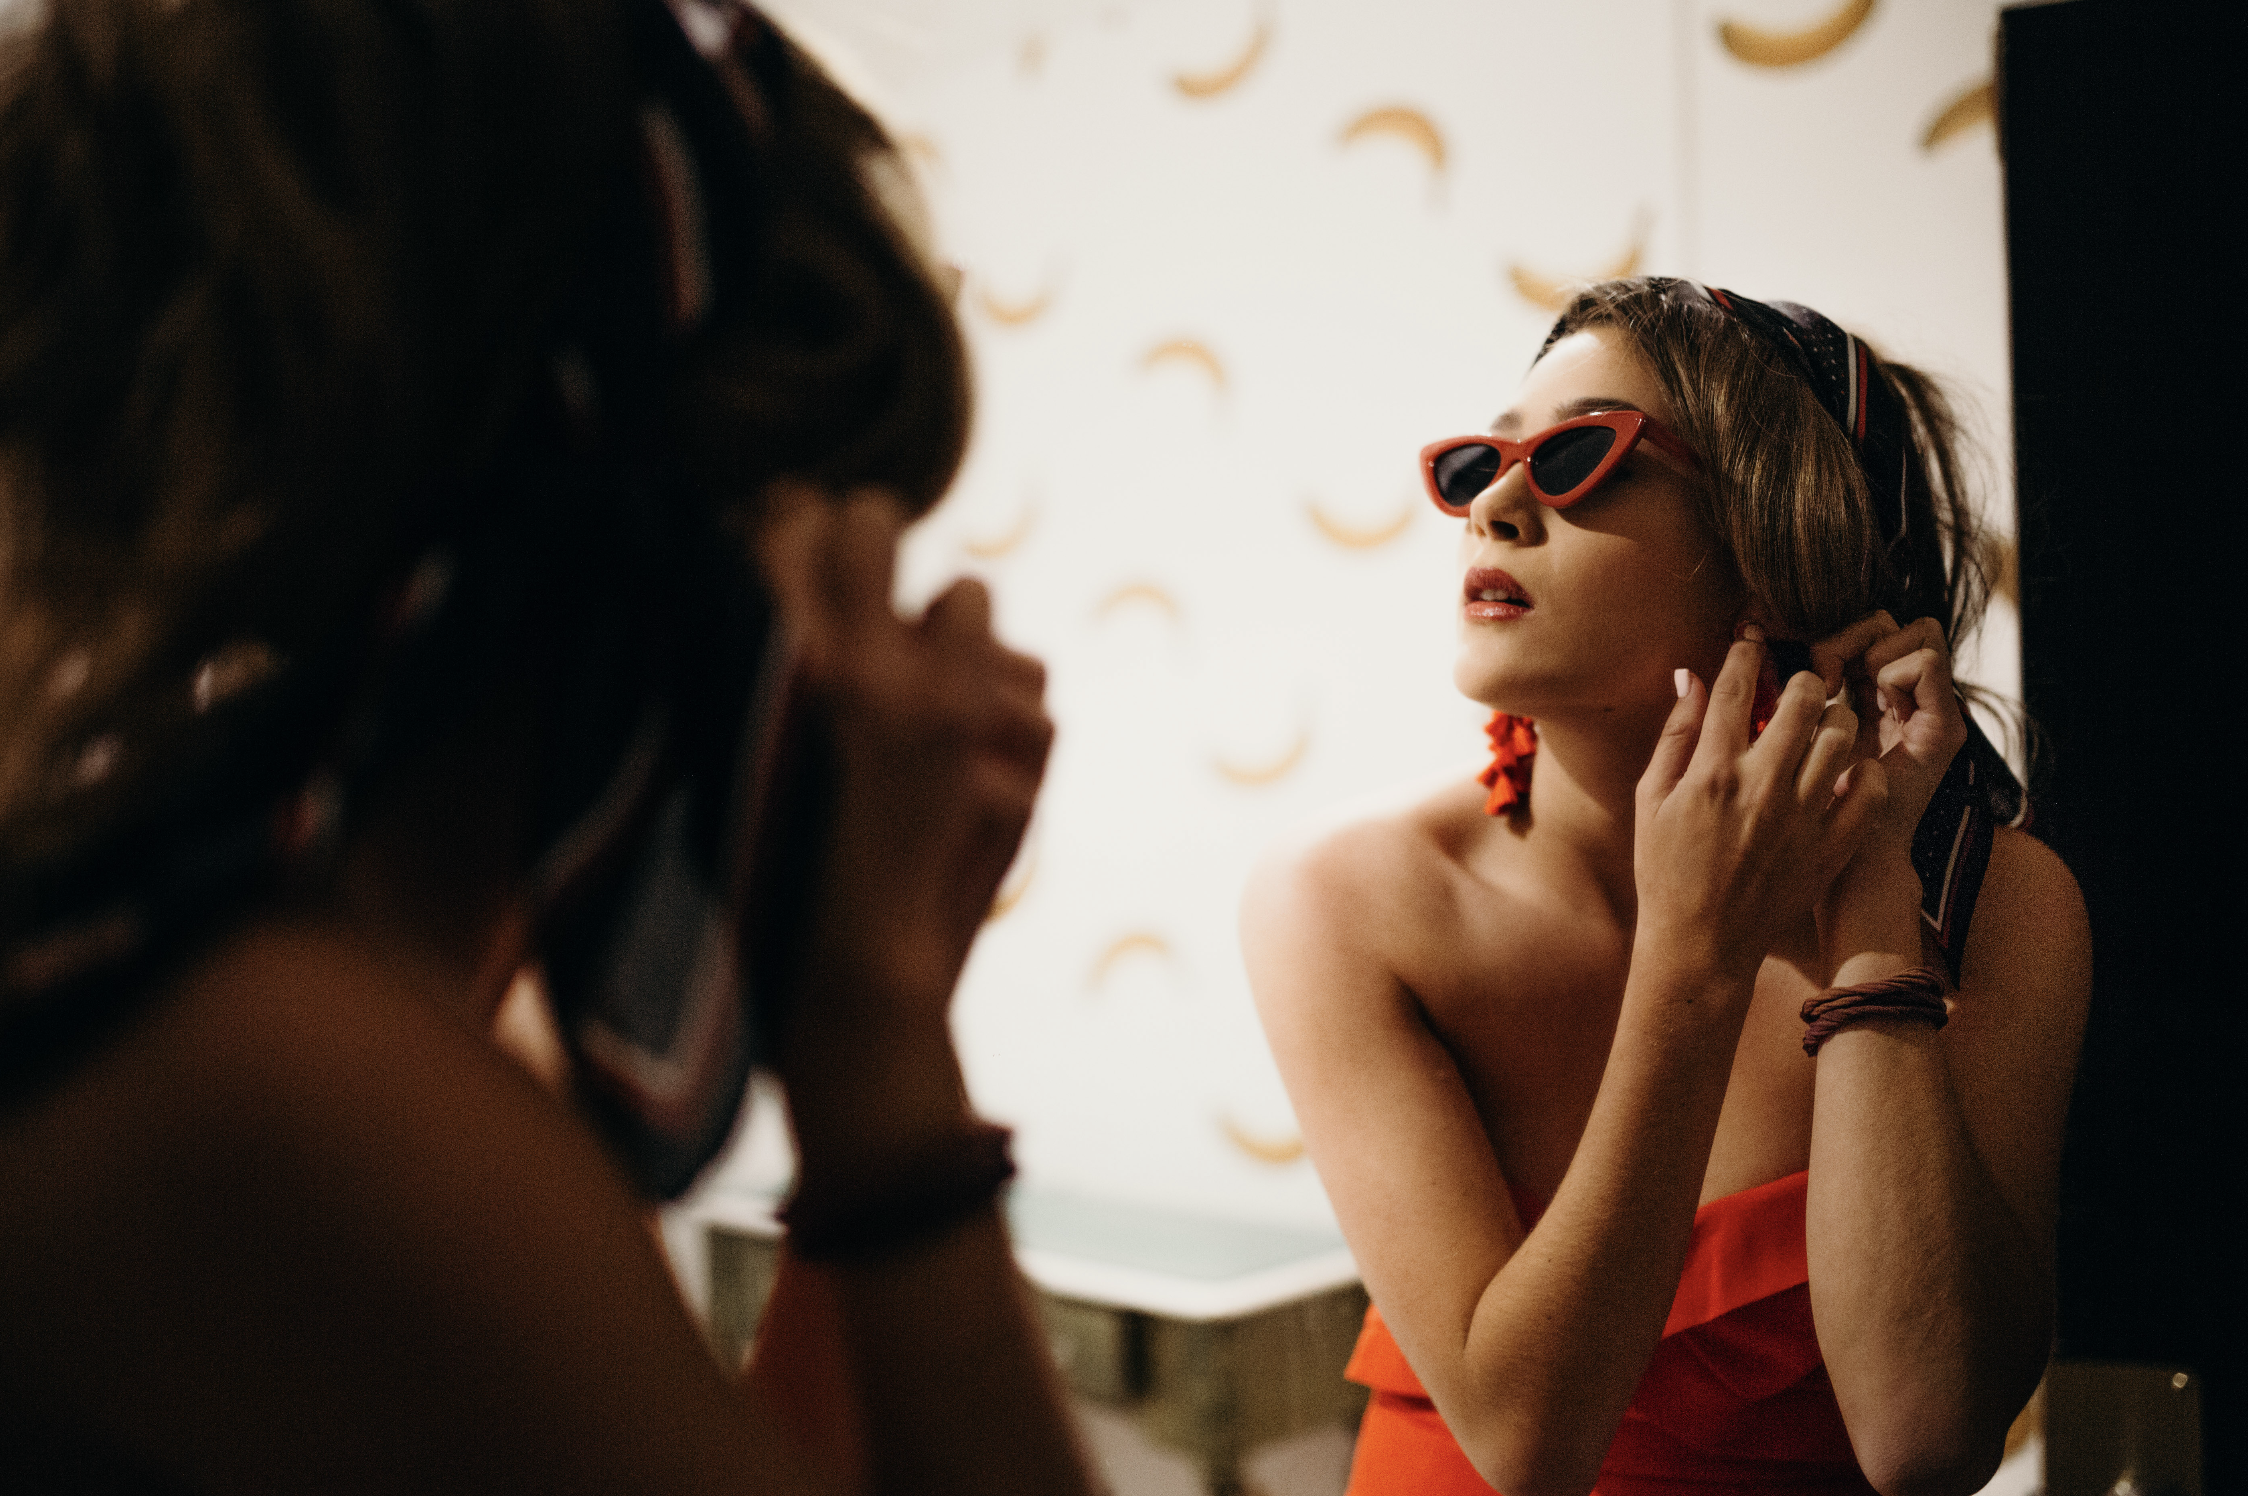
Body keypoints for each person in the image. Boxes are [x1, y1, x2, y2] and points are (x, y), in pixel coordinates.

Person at [0, 2, 1095, 1492]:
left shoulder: (309, 978)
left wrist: (868, 988)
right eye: (846, 557)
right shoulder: (292, 1069)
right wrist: (880, 1053)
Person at [1242, 277, 2090, 1496]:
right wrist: (1689, 961)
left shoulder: (1997, 905)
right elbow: (1528, 1444)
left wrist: (1867, 911)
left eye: (1581, 455)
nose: (1493, 503)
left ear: (1775, 545)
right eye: (1481, 459)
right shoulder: (1348, 899)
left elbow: (1927, 1435)